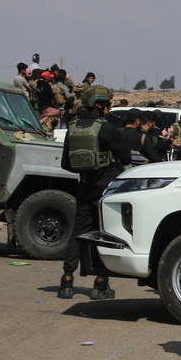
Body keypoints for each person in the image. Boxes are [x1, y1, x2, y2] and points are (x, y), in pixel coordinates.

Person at [58, 85, 132, 301]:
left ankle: (67, 282)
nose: (109, 108)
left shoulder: (72, 128)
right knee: (104, 235)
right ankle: (100, 285)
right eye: (108, 105)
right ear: (98, 105)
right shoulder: (106, 128)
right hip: (106, 190)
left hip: (84, 187)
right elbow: (126, 158)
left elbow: (66, 163)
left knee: (77, 234)